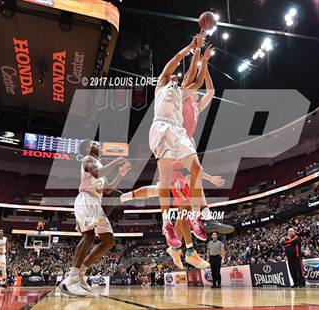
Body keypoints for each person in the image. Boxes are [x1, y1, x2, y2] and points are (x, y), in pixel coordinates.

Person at [148, 31, 232, 249]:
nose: (177, 78)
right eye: (175, 76)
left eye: (178, 77)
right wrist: (191, 48)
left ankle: (200, 215)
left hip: (178, 132)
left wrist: (202, 57)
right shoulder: (162, 84)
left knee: (196, 169)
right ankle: (167, 223)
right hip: (162, 127)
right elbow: (177, 60)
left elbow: (199, 79)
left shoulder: (184, 93)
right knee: (165, 178)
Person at [59, 139, 131, 296]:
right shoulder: (88, 159)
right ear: (87, 148)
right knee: (89, 235)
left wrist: (120, 174)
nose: (98, 144)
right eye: (94, 143)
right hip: (86, 199)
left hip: (96, 204)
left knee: (109, 240)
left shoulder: (99, 166)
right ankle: (70, 280)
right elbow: (98, 173)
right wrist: (116, 161)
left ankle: (81, 272)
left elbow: (109, 190)